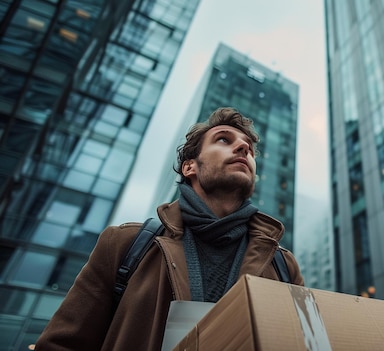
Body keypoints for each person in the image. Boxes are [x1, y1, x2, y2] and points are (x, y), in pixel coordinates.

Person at [36, 107, 304, 350]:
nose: (243, 148)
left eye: (248, 148)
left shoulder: (283, 265)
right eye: (224, 139)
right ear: (190, 167)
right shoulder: (125, 244)